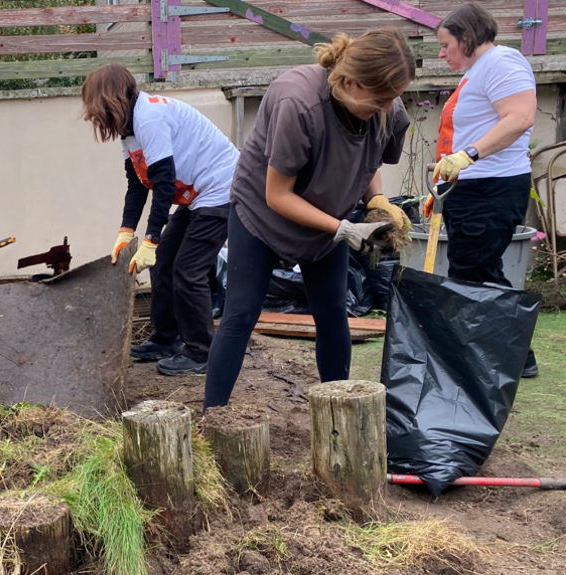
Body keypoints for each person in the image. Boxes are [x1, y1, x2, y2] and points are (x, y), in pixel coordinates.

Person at [203, 28, 415, 409]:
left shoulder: (387, 108)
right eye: (381, 98)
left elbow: (367, 159)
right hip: (263, 216)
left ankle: (340, 416)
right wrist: (345, 228)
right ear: (349, 82)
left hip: (328, 217)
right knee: (240, 313)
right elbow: (277, 195)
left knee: (333, 313)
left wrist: (377, 200)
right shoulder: (298, 103)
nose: (388, 107)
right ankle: (211, 419)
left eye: (393, 97)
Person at [81, 63, 240, 376]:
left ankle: (201, 351)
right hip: (196, 193)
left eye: (93, 106)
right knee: (165, 260)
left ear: (108, 100)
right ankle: (166, 338)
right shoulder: (129, 130)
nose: (91, 114)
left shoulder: (149, 118)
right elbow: (138, 184)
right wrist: (126, 232)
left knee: (188, 269)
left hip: (221, 187)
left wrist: (151, 238)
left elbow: (164, 185)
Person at [429, 2, 539, 378]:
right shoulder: (479, 70)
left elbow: (521, 117)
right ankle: (511, 354)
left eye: (446, 45)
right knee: (476, 269)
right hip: (471, 185)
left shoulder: (502, 63)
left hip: (494, 187)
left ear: (468, 37)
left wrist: (469, 155)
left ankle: (513, 355)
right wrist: (450, 163)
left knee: (473, 270)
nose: (441, 54)